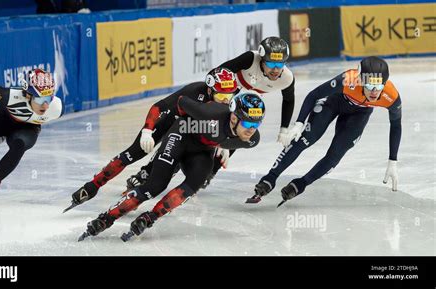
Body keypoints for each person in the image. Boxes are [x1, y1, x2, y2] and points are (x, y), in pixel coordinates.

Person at [78, 91, 265, 241]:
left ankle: (150, 217)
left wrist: (224, 147)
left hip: (202, 150)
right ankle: (106, 218)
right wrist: (152, 129)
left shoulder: (251, 140)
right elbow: (181, 101)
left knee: (197, 182)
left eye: (256, 124)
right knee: (155, 186)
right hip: (181, 136)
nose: (251, 129)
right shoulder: (211, 115)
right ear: (233, 118)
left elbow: (229, 139)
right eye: (248, 122)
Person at [127, 36, 296, 189]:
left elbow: (288, 100)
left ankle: (210, 171)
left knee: (238, 134)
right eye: (272, 64)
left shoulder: (287, 78)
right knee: (190, 134)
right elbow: (216, 72)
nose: (276, 69)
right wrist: (210, 104)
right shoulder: (250, 59)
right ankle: (148, 171)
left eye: (280, 64)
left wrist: (284, 129)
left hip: (244, 103)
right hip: (224, 97)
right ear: (261, 59)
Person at [64, 68, 239, 212]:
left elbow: (239, 129)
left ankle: (144, 179)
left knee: (174, 162)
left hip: (188, 134)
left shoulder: (231, 105)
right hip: (169, 123)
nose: (225, 101)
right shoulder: (194, 91)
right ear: (209, 90)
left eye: (229, 96)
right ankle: (92, 186)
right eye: (221, 96)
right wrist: (147, 131)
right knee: (133, 153)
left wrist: (223, 143)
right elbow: (159, 106)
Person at [249, 56, 402, 204]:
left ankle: (300, 184)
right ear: (360, 80)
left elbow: (396, 124)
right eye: (369, 86)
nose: (375, 92)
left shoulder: (391, 95)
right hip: (335, 102)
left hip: (360, 113)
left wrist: (393, 161)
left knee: (336, 154)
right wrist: (299, 123)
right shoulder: (347, 79)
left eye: (379, 86)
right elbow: (313, 95)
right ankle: (270, 178)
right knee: (306, 138)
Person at [0, 69, 63, 204]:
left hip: (27, 129)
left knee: (19, 145)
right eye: (41, 99)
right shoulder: (11, 97)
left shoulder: (56, 108)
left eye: (49, 98)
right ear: (28, 95)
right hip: (1, 122)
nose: (45, 105)